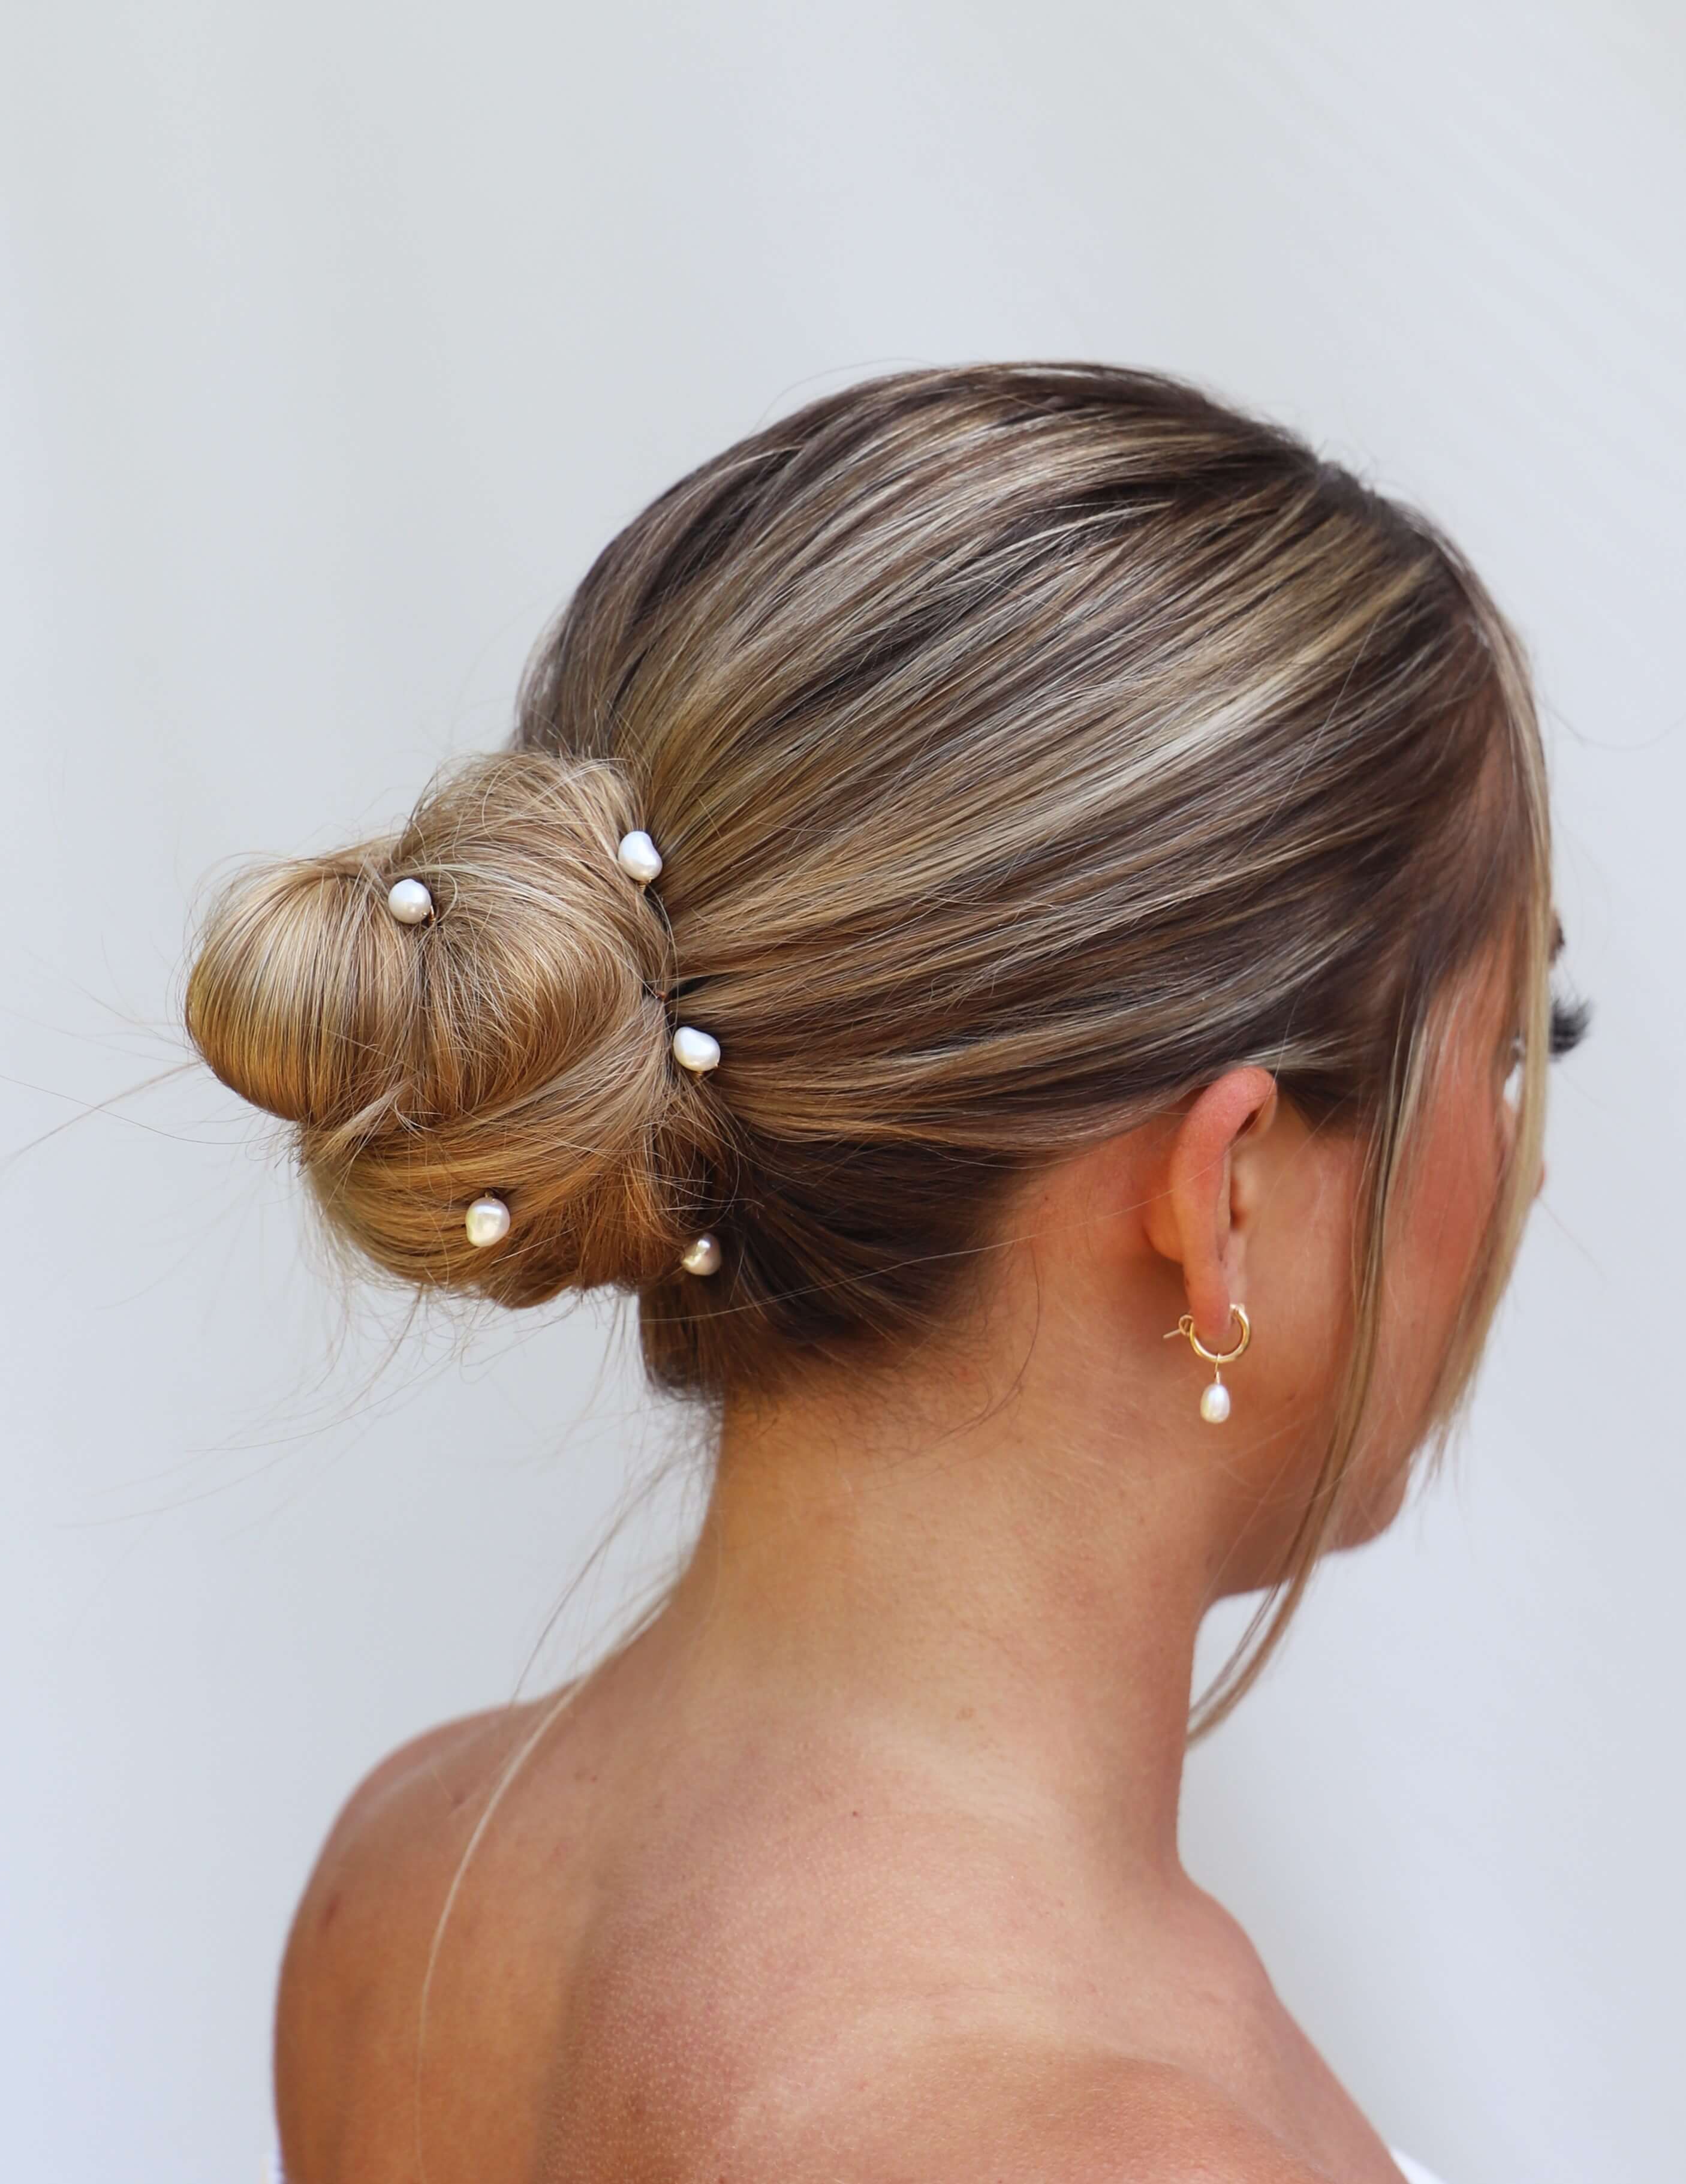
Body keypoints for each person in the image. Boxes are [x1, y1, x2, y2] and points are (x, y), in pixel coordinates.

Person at [186, 363, 1586, 2183]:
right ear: (1223, 1189)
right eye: (1502, 1040)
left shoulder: (413, 1882)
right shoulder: (1114, 2144)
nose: (1518, 1160)